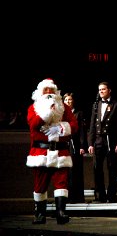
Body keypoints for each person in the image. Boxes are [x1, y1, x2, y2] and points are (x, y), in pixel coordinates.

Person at [26, 78, 78, 224]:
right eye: (46, 90)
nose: (49, 93)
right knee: (40, 184)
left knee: (61, 183)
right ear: (40, 93)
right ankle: (39, 213)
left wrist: (61, 127)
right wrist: (47, 113)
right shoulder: (33, 108)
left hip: (60, 153)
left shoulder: (64, 108)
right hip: (40, 153)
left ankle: (61, 212)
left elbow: (74, 125)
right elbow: (34, 125)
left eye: (52, 90)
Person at [87, 81, 117, 203]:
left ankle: (112, 196)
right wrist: (90, 143)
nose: (101, 91)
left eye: (103, 89)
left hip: (111, 140)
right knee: (97, 168)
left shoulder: (116, 105)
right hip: (98, 140)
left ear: (109, 90)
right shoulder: (96, 105)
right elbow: (92, 125)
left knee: (112, 168)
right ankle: (100, 196)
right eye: (99, 90)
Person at [63, 93, 87, 203]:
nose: (68, 102)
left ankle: (77, 197)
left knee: (75, 170)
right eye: (66, 100)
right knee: (66, 171)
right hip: (64, 145)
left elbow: (82, 131)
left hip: (75, 145)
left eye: (70, 100)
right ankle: (67, 196)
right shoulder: (61, 114)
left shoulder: (78, 113)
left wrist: (82, 146)